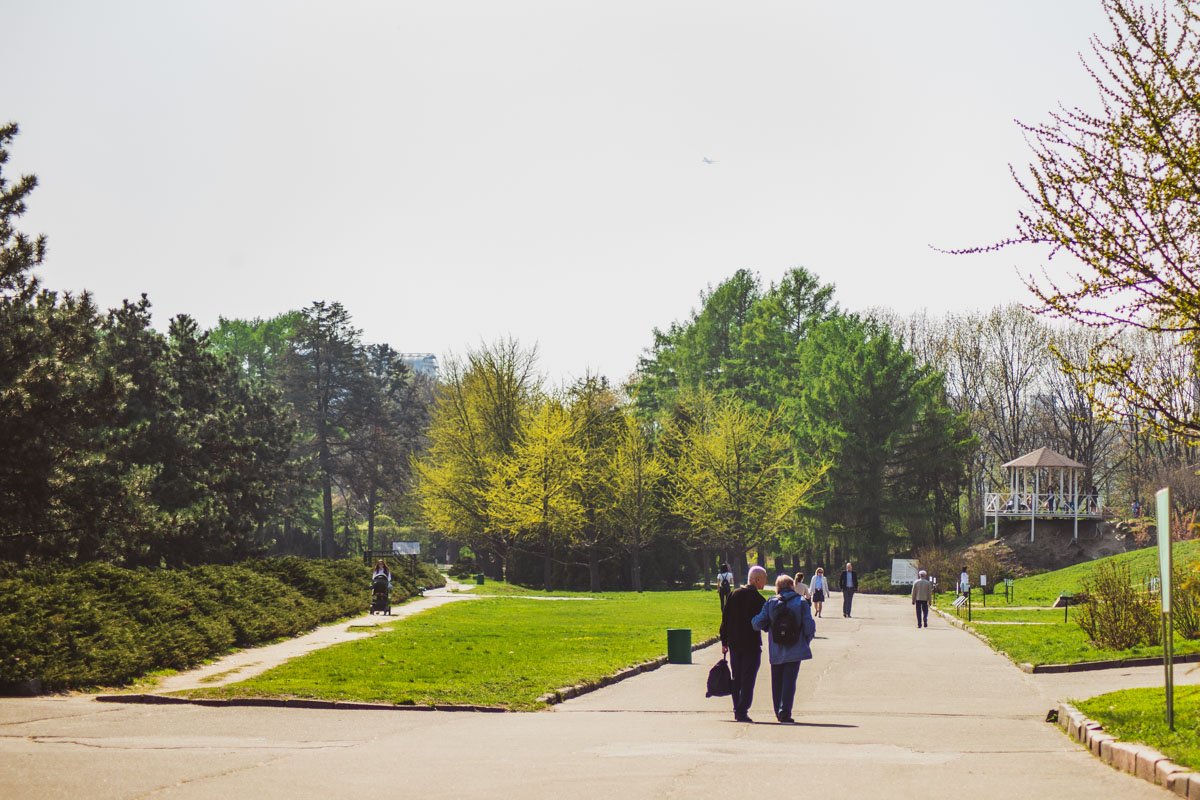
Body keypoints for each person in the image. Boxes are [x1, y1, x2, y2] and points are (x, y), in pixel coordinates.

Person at [751, 574, 815, 723]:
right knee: (789, 681)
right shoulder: (802, 602)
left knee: (777, 680)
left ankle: (777, 711)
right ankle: (785, 710)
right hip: (795, 647)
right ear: (792, 586)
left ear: (778, 587)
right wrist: (806, 640)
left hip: (776, 647)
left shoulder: (771, 602)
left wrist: (768, 626)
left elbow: (757, 623)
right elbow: (809, 626)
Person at [719, 565, 768, 722]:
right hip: (751, 644)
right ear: (757, 579)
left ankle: (736, 707)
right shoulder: (759, 600)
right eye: (764, 579)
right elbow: (764, 623)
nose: (765, 582)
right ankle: (742, 709)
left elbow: (725, 619)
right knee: (748, 678)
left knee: (737, 676)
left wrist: (724, 640)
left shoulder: (734, 594)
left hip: (734, 643)